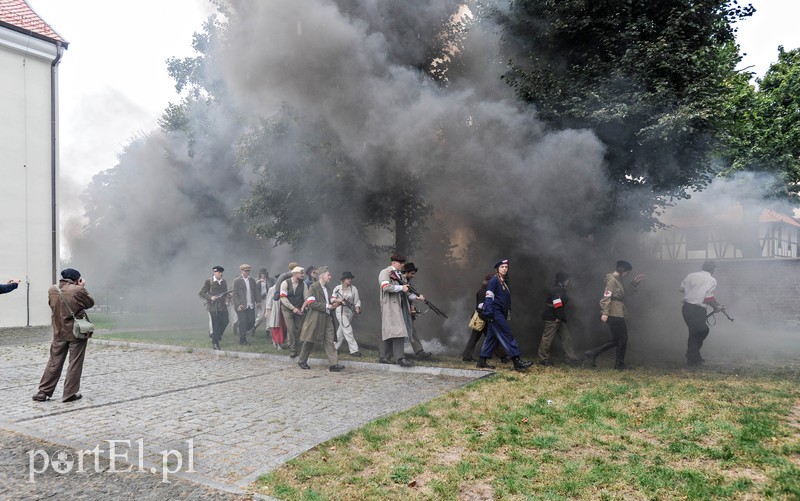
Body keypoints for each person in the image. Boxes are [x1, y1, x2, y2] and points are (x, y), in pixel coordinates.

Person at [32, 268, 95, 402]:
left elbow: (52, 306)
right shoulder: (77, 290)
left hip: (58, 331)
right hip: (75, 332)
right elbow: (90, 303)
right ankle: (69, 394)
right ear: (77, 279)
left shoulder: (52, 290)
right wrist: (82, 287)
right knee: (75, 363)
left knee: (54, 361)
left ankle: (43, 392)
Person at [585, 260, 644, 370]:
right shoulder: (612, 280)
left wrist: (634, 283)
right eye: (627, 272)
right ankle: (619, 365)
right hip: (613, 312)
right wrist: (605, 312)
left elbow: (623, 293)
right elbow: (606, 296)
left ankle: (593, 353)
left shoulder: (618, 280)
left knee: (617, 339)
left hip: (617, 311)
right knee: (623, 338)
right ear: (622, 269)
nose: (627, 274)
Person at [477, 259, 533, 371]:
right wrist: (488, 312)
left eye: (506, 267)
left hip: (499, 313)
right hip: (495, 313)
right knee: (507, 335)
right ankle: (517, 361)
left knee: (491, 338)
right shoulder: (494, 280)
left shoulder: (502, 281)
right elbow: (489, 297)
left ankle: (481, 362)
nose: (504, 269)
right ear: (497, 269)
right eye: (502, 267)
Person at [297, 266, 345, 372]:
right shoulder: (314, 287)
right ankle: (302, 360)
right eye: (328, 275)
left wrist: (337, 302)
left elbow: (330, 300)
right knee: (310, 340)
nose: (330, 277)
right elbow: (311, 303)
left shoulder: (327, 288)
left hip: (327, 317)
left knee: (329, 340)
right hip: (315, 318)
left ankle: (334, 364)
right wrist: (328, 306)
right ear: (322, 276)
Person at [680, 260, 724, 366]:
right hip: (697, 310)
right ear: (713, 269)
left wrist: (717, 305)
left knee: (695, 332)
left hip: (686, 308)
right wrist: (716, 308)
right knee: (701, 330)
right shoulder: (711, 280)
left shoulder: (691, 275)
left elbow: (682, 289)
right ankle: (692, 357)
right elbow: (708, 298)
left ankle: (693, 355)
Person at [537, 271, 582, 366]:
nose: (568, 282)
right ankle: (543, 359)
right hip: (553, 317)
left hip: (557, 317)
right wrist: (559, 317)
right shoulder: (557, 290)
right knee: (547, 338)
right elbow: (557, 304)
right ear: (564, 281)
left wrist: (560, 317)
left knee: (567, 337)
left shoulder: (560, 289)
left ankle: (570, 357)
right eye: (567, 280)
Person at [378, 253, 415, 367]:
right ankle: (400, 358)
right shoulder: (385, 272)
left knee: (390, 331)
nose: (402, 265)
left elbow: (406, 291)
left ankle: (384, 357)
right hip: (390, 306)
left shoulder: (400, 275)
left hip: (399, 305)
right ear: (393, 262)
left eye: (403, 262)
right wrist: (401, 288)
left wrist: (416, 297)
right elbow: (385, 287)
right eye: (400, 263)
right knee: (398, 331)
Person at [462, 273, 508, 362]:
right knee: (492, 338)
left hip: (482, 318)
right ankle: (503, 357)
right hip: (483, 318)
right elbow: (480, 306)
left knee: (475, 338)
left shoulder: (485, 290)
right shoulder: (484, 291)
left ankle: (467, 356)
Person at [402, 262, 433, 359]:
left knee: (412, 330)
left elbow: (409, 297)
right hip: (399, 311)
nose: (413, 275)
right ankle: (387, 352)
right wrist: (416, 298)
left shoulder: (407, 281)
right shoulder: (401, 281)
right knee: (397, 333)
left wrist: (412, 307)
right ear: (406, 272)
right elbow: (405, 296)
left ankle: (419, 352)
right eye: (412, 273)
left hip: (406, 309)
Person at [280, 265, 308, 357]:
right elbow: (283, 298)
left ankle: (295, 345)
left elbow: (306, 298)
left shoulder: (303, 284)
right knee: (291, 328)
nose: (303, 275)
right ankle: (293, 349)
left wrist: (303, 308)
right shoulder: (285, 283)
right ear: (295, 274)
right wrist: (293, 308)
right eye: (301, 273)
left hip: (299, 308)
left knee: (299, 328)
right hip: (287, 309)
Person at [199, 265, 229, 350]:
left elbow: (225, 293)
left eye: (220, 272)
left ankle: (215, 336)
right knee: (215, 325)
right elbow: (201, 293)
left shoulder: (224, 281)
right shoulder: (209, 281)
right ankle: (215, 343)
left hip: (222, 306)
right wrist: (210, 297)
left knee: (225, 321)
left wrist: (228, 297)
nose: (219, 274)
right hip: (213, 307)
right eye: (217, 272)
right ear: (214, 272)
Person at [332, 271, 362, 357]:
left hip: (350, 311)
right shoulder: (337, 288)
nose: (350, 280)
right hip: (340, 310)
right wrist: (340, 301)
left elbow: (357, 301)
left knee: (341, 331)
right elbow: (332, 299)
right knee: (348, 329)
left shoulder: (353, 289)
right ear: (344, 279)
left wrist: (357, 308)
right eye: (348, 278)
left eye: (350, 279)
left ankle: (333, 348)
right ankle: (354, 350)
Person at [232, 264, 258, 345]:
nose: (247, 272)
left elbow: (255, 291)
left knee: (252, 321)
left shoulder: (252, 280)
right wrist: (238, 304)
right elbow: (234, 294)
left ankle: (242, 330)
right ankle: (242, 340)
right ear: (242, 271)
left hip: (250, 305)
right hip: (241, 305)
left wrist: (258, 301)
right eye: (245, 271)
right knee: (242, 322)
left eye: (248, 271)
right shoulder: (236, 280)